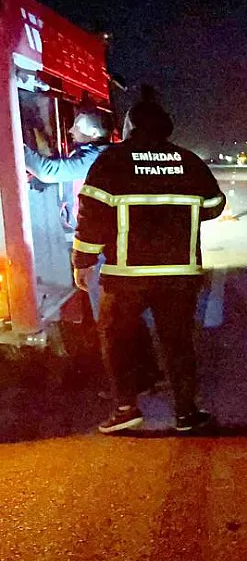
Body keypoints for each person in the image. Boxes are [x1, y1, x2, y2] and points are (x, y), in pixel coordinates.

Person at [72, 86, 226, 434]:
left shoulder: (111, 161)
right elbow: (214, 206)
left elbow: (91, 214)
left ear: (130, 127)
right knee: (178, 343)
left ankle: (126, 408)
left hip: (125, 275)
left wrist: (82, 261)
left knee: (117, 339)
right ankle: (186, 413)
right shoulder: (189, 161)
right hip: (179, 274)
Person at [24, 110, 162, 395]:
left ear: (91, 132)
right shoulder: (98, 155)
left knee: (111, 322)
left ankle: (128, 387)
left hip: (102, 253)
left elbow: (48, 171)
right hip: (116, 249)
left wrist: (12, 141)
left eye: (76, 128)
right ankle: (148, 375)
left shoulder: (93, 157)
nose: (71, 133)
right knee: (126, 317)